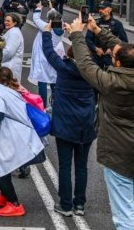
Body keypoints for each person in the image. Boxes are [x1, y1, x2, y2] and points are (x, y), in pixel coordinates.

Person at [67, 14, 134, 230]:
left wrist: (77, 35)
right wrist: (97, 31)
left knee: (124, 214)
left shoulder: (112, 82)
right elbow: (124, 48)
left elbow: (86, 65)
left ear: (117, 62)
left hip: (118, 154)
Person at [41, 24, 96, 217]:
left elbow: (48, 52)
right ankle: (79, 204)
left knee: (65, 166)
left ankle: (65, 205)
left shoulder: (63, 68)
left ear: (69, 55)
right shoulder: (93, 74)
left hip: (65, 125)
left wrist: (47, 32)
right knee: (81, 166)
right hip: (86, 127)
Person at [0, 69, 44, 217]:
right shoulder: (1, 89)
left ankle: (14, 204)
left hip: (15, 137)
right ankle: (4, 196)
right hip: (17, 134)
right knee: (2, 167)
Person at [29, 2, 64, 109]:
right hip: (53, 57)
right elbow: (56, 17)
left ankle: (42, 106)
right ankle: (55, 104)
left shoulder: (45, 27)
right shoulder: (61, 29)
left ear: (50, 20)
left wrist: (39, 7)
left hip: (43, 57)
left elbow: (35, 19)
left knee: (42, 82)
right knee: (54, 81)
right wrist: (52, 8)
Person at [86, 1, 128, 69]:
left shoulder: (117, 24)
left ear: (110, 10)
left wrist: (113, 49)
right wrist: (96, 49)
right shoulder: (95, 23)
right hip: (96, 56)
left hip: (110, 57)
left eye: (103, 8)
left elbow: (124, 41)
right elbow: (88, 39)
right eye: (99, 9)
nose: (100, 10)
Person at [1, 13, 24, 81]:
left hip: (10, 66)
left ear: (15, 22)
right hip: (8, 66)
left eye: (8, 21)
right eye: (5, 20)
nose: (5, 22)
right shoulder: (12, 31)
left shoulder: (15, 33)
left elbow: (8, 52)